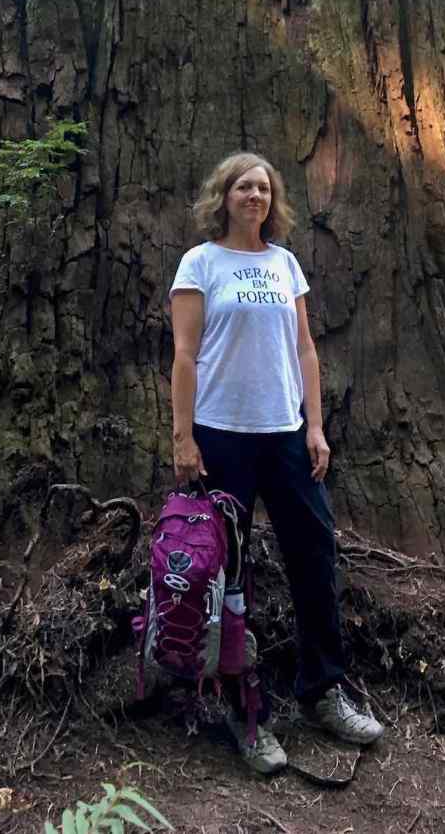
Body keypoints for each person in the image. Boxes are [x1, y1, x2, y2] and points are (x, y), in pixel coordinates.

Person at [169, 152, 384, 774]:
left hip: (286, 434)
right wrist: (183, 439)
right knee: (228, 580)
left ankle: (324, 691)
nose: (254, 195)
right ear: (224, 195)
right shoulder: (201, 263)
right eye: (243, 186)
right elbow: (184, 356)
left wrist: (315, 426)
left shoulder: (285, 264)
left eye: (263, 187)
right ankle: (244, 709)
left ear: (273, 199)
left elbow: (306, 349)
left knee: (315, 559)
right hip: (222, 437)